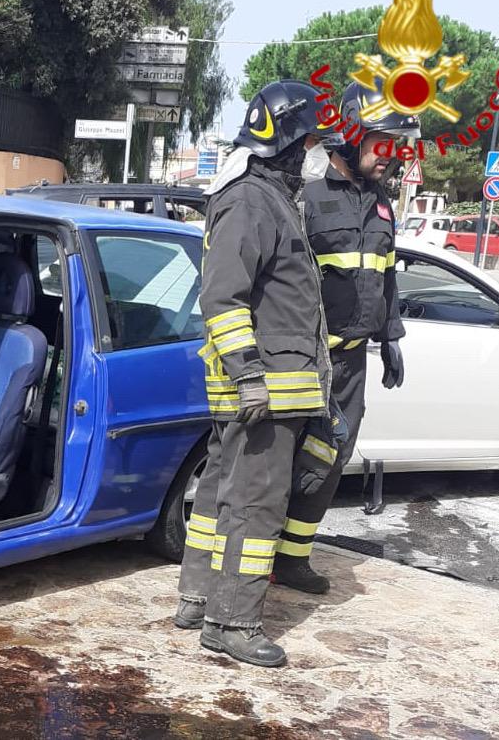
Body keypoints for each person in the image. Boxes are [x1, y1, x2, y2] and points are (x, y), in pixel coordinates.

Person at [174, 80, 344, 668]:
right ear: (291, 143)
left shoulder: (270, 197)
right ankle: (233, 622)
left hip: (271, 387)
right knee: (255, 506)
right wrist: (249, 375)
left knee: (222, 499)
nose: (317, 153)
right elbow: (222, 298)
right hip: (264, 391)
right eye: (312, 142)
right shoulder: (251, 200)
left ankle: (198, 598)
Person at [272, 80, 415, 594]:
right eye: (383, 142)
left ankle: (293, 557)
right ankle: (249, 565)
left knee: (330, 458)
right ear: (349, 137)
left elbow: (386, 273)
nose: (393, 156)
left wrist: (390, 337)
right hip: (302, 361)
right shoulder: (304, 198)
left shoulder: (380, 204)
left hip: (351, 364)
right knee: (276, 461)